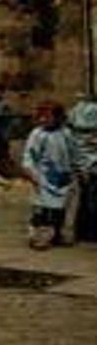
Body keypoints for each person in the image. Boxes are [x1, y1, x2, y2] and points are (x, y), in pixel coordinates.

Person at [21, 103, 78, 249]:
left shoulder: (66, 133)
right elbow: (30, 153)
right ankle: (38, 237)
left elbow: (73, 152)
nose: (43, 120)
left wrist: (77, 168)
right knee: (43, 209)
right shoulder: (38, 134)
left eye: (47, 117)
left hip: (63, 177)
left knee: (59, 208)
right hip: (43, 176)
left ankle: (56, 233)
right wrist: (30, 170)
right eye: (40, 117)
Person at [67, 98, 97, 243]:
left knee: (88, 199)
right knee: (84, 199)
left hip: (87, 163)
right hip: (83, 164)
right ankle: (86, 232)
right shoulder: (81, 111)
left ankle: (87, 232)